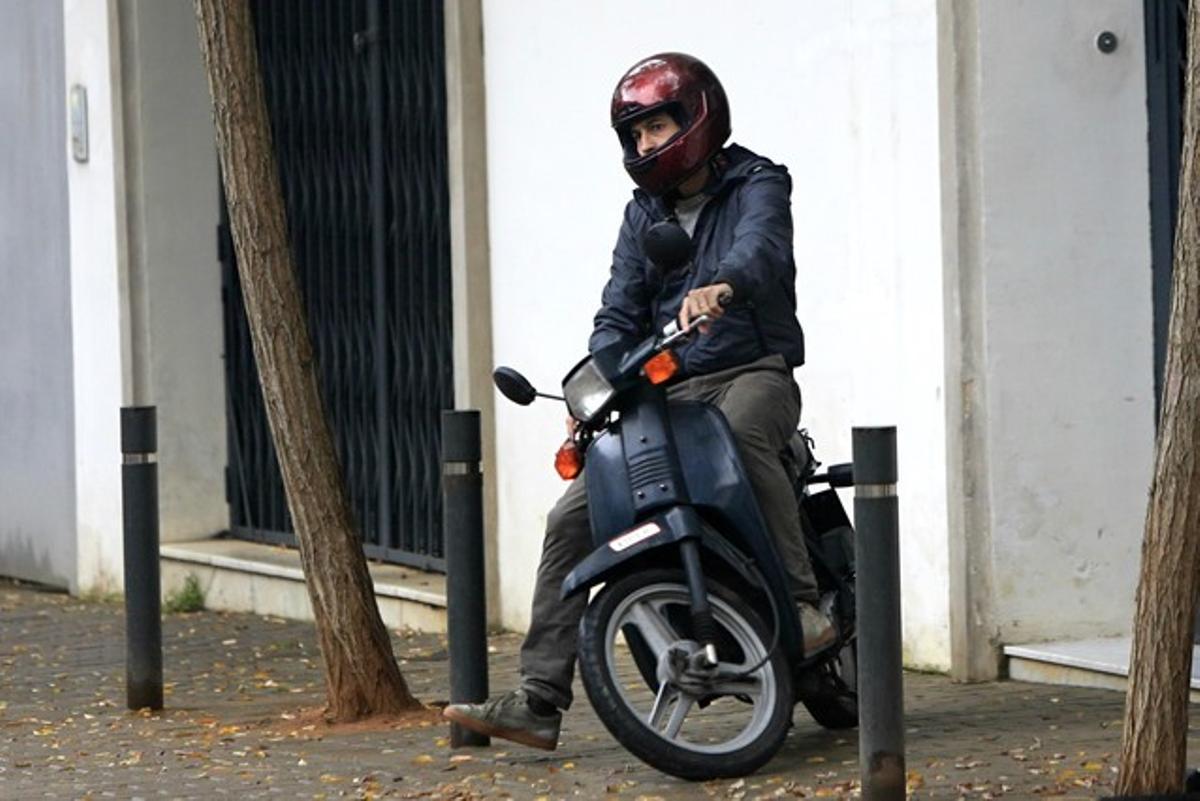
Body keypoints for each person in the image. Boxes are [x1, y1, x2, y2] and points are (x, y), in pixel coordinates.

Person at [443, 52, 832, 751]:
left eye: (659, 125)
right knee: (571, 516)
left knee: (744, 437)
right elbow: (617, 310)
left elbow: (763, 248)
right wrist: (597, 374)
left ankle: (803, 606)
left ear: (698, 118)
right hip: (666, 390)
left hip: (751, 371)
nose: (648, 143)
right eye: (638, 132)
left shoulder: (757, 182)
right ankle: (538, 696)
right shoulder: (642, 213)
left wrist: (725, 284)